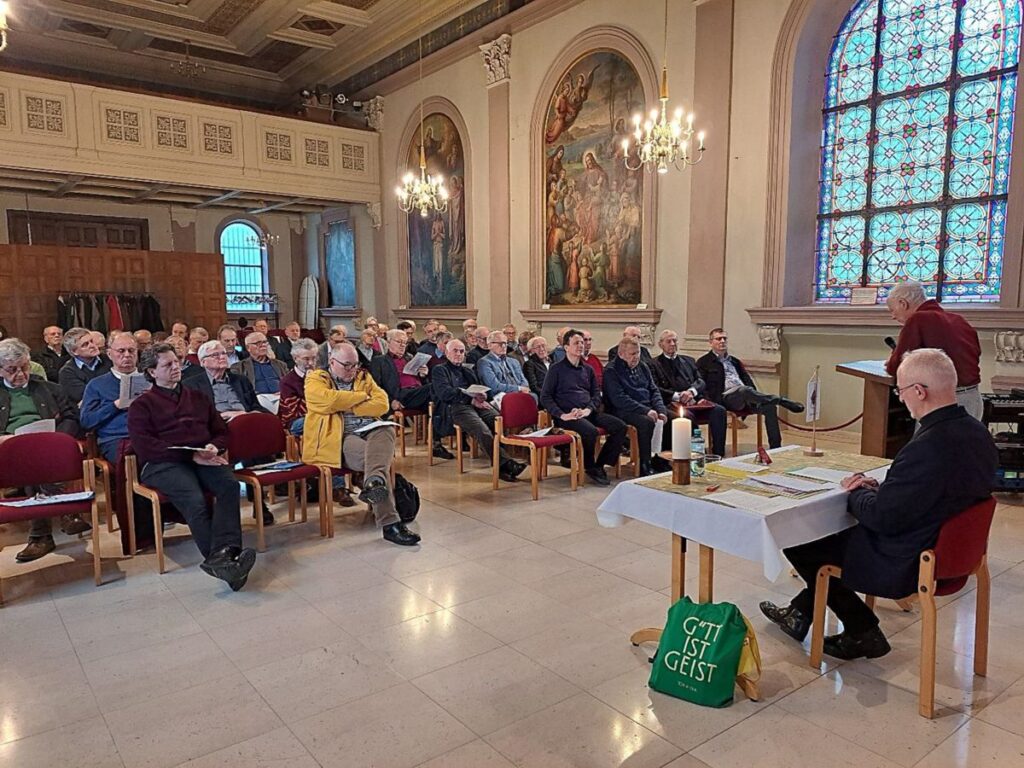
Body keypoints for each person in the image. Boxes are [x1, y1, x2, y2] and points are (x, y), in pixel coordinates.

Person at [760, 349, 996, 660]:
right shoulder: (977, 432)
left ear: (919, 392)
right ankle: (799, 613)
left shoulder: (927, 445)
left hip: (905, 559)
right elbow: (932, 490)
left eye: (900, 390)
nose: (900, 398)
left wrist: (855, 491)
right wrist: (882, 489)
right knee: (823, 540)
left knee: (800, 538)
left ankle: (862, 630)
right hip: (950, 548)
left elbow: (882, 518)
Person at [127, 344, 257, 590]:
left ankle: (225, 557)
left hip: (201, 456)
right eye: (167, 365)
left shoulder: (197, 396)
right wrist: (191, 457)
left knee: (229, 485)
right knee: (194, 497)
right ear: (152, 372)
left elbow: (221, 431)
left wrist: (212, 447)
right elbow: (146, 447)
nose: (176, 367)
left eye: (176, 362)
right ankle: (224, 560)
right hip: (162, 464)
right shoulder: (142, 405)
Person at [302, 342, 420, 546]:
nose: (352, 370)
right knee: (376, 463)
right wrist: (362, 398)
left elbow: (382, 403)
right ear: (332, 361)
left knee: (387, 428)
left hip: (371, 430)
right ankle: (390, 524)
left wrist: (347, 406)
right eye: (346, 365)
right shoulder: (316, 378)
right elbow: (326, 400)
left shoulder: (363, 376)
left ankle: (372, 483)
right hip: (340, 436)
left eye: (355, 365)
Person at [0, 338, 84, 562]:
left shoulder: (48, 388)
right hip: (8, 448)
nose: (20, 374)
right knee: (29, 456)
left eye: (24, 367)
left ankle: (41, 536)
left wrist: (58, 438)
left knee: (39, 454)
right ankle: (65, 511)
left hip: (48, 442)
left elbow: (71, 418)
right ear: (0, 370)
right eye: (12, 370)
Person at [183, 340, 275, 526]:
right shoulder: (191, 385)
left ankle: (259, 501)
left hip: (245, 424)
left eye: (223, 353)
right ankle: (225, 508)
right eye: (215, 355)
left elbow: (256, 407)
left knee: (254, 435)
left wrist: (243, 415)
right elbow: (194, 416)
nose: (222, 357)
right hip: (216, 430)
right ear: (203, 361)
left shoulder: (239, 380)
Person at [431, 339, 527, 481]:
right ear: (446, 352)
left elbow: (480, 387)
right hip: (456, 407)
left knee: (498, 420)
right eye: (455, 351)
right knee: (482, 430)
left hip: (475, 404)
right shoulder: (440, 370)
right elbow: (445, 393)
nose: (459, 354)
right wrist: (471, 399)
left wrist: (483, 395)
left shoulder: (467, 370)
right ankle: (505, 465)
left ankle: (501, 463)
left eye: (462, 351)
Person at [541, 328, 626, 486]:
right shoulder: (556, 369)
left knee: (620, 426)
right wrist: (561, 414)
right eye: (576, 343)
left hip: (587, 411)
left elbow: (595, 394)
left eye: (582, 342)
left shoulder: (588, 369)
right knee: (590, 432)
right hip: (567, 416)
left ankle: (599, 464)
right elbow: (545, 397)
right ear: (566, 347)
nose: (581, 346)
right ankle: (589, 466)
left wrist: (588, 409)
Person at [885, 281, 983, 419]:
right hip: (973, 397)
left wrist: (892, 361)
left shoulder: (917, 319)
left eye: (892, 310)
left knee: (930, 440)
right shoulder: (958, 319)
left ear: (903, 303)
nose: (893, 316)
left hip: (942, 403)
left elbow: (895, 367)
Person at [696, 328, 803, 449]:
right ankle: (780, 400)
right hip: (726, 398)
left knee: (769, 407)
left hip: (746, 396)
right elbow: (701, 383)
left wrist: (754, 395)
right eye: (718, 339)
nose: (722, 341)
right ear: (711, 342)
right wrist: (707, 400)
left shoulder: (734, 361)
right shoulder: (704, 362)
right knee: (744, 390)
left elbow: (747, 380)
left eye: (724, 339)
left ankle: (776, 447)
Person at [650, 329, 727, 457]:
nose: (673, 344)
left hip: (693, 400)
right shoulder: (653, 364)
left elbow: (700, 381)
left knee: (719, 411)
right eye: (669, 341)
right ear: (661, 345)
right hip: (671, 403)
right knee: (687, 417)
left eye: (675, 341)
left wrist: (691, 392)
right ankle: (694, 453)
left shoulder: (689, 360)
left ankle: (718, 453)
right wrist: (678, 396)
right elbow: (656, 388)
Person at [603, 337, 670, 476]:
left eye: (638, 353)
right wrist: (646, 410)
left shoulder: (643, 366)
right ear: (621, 354)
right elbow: (619, 399)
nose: (636, 357)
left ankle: (660, 459)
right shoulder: (611, 370)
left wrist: (660, 410)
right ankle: (644, 464)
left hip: (646, 406)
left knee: (671, 419)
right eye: (632, 354)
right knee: (646, 422)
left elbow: (654, 390)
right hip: (622, 410)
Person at [80, 331, 140, 463]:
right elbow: (87, 421)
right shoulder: (96, 385)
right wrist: (115, 406)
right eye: (121, 351)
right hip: (117, 439)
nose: (127, 355)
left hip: (150, 435)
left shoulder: (152, 380)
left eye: (131, 350)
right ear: (109, 354)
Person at [368, 329, 433, 415]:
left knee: (442, 399)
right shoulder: (379, 361)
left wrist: (423, 375)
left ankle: (440, 427)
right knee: (435, 387)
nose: (402, 345)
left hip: (419, 393)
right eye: (399, 342)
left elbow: (423, 382)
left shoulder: (410, 358)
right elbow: (376, 386)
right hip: (402, 395)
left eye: (405, 343)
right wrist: (391, 401)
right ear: (388, 342)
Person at [59, 326, 113, 405]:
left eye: (92, 341)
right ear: (74, 352)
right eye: (85, 344)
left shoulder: (110, 359)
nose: (92, 346)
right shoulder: (67, 372)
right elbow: (88, 397)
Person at [279, 338, 318, 436]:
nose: (311, 363)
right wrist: (310, 384)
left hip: (317, 414)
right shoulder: (287, 382)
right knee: (321, 420)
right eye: (306, 359)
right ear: (295, 358)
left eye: (314, 358)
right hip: (295, 421)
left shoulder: (320, 375)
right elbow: (297, 412)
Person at [476, 331, 532, 398]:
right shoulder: (484, 362)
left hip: (519, 393)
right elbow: (495, 386)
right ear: (489, 345)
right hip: (501, 396)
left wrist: (523, 388)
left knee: (533, 396)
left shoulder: (513, 361)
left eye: (505, 343)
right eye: (500, 344)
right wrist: (519, 389)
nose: (504, 346)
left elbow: (523, 380)